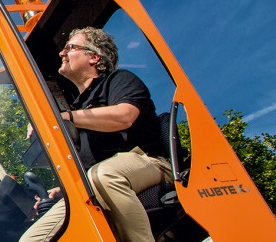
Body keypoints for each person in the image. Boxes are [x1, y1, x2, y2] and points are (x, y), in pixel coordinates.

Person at [20, 27, 171, 242]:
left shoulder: (118, 80)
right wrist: (63, 191)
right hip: (94, 180)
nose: (62, 54)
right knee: (32, 239)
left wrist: (65, 117)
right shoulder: (77, 107)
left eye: (70, 48)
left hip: (149, 162)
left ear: (93, 57)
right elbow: (88, 164)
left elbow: (124, 117)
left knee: (102, 176)